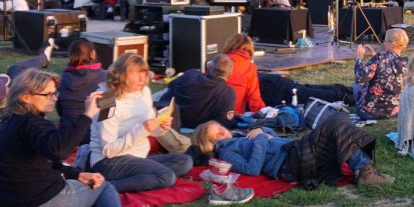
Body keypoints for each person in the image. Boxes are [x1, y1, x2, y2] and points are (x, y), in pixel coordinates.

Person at [0, 70, 152, 207]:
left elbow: (45, 161)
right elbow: (60, 151)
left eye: (54, 93)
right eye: (47, 94)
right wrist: (87, 115)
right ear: (25, 97)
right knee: (103, 186)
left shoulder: (8, 123)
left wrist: (77, 174)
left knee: (75, 185)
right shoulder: (34, 124)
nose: (54, 98)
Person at [193, 113, 393, 187]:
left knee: (338, 119)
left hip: (293, 150)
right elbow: (252, 168)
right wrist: (261, 138)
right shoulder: (227, 153)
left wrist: (264, 129)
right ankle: (365, 172)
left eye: (220, 130)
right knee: (334, 122)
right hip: (290, 163)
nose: (222, 134)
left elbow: (273, 138)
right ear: (210, 145)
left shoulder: (238, 135)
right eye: (216, 137)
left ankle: (364, 169)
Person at [88, 54, 192, 194]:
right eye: (136, 73)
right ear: (121, 75)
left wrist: (160, 127)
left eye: (144, 72)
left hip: (137, 156)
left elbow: (149, 128)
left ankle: (139, 176)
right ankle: (105, 188)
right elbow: (108, 150)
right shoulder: (107, 101)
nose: (142, 78)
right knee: (166, 176)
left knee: (185, 161)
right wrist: (142, 129)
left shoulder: (144, 92)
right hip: (108, 161)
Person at [166, 55, 239, 128]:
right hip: (197, 125)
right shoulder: (227, 92)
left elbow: (170, 86)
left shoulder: (192, 74)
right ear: (230, 74)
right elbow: (224, 121)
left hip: (175, 119)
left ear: (209, 67)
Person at [354, 28, 410, 120]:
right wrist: (374, 55)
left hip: (369, 112)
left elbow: (360, 79)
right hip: (394, 112)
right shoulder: (406, 62)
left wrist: (359, 59)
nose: (384, 43)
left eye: (385, 40)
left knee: (358, 82)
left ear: (392, 43)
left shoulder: (379, 58)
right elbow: (388, 66)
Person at [57, 39, 109, 122]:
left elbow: (60, 110)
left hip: (66, 131)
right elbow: (108, 113)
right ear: (93, 54)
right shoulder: (105, 76)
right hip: (93, 132)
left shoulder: (63, 77)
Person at [221, 33, 267, 116]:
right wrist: (264, 115)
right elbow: (254, 97)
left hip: (210, 113)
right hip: (233, 116)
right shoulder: (249, 67)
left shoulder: (216, 62)